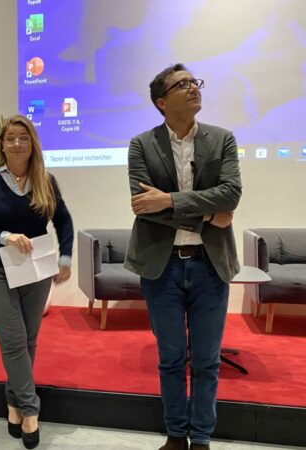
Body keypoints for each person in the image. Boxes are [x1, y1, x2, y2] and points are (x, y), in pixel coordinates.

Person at [124, 64, 242, 450]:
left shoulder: (222, 139)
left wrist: (170, 200)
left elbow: (230, 194)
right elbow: (144, 207)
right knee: (171, 358)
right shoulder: (142, 145)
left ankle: (202, 438)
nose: (194, 88)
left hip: (210, 264)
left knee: (207, 360)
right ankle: (176, 435)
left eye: (195, 82)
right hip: (162, 267)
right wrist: (207, 214)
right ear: (162, 101)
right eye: (182, 84)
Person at [0, 114, 74, 449]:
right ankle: (31, 410)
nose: (17, 144)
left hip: (35, 271)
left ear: (32, 143)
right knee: (13, 341)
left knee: (28, 340)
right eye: (10, 138)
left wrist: (65, 259)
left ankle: (13, 403)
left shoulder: (45, 180)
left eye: (23, 138)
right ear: (2, 144)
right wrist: (4, 236)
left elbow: (64, 221)